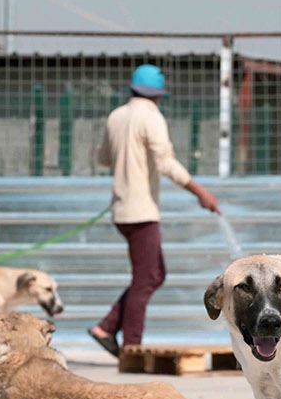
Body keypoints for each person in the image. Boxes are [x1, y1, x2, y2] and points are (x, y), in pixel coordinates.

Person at [89, 64, 220, 356]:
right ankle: (131, 346)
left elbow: (103, 158)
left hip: (121, 210)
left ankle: (107, 326)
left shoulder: (116, 116)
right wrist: (201, 193)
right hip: (141, 211)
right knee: (147, 277)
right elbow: (166, 164)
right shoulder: (151, 117)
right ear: (158, 95)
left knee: (153, 274)